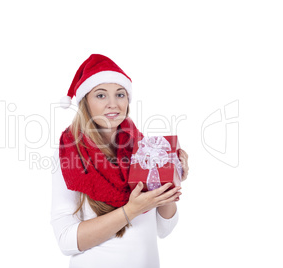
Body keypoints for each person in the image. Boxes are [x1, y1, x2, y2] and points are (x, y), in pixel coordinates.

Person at [51, 54, 189, 268]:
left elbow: (164, 229)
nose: (113, 104)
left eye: (120, 94)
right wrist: (130, 210)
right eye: (101, 95)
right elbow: (66, 240)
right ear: (85, 102)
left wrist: (171, 179)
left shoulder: (146, 148)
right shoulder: (71, 153)